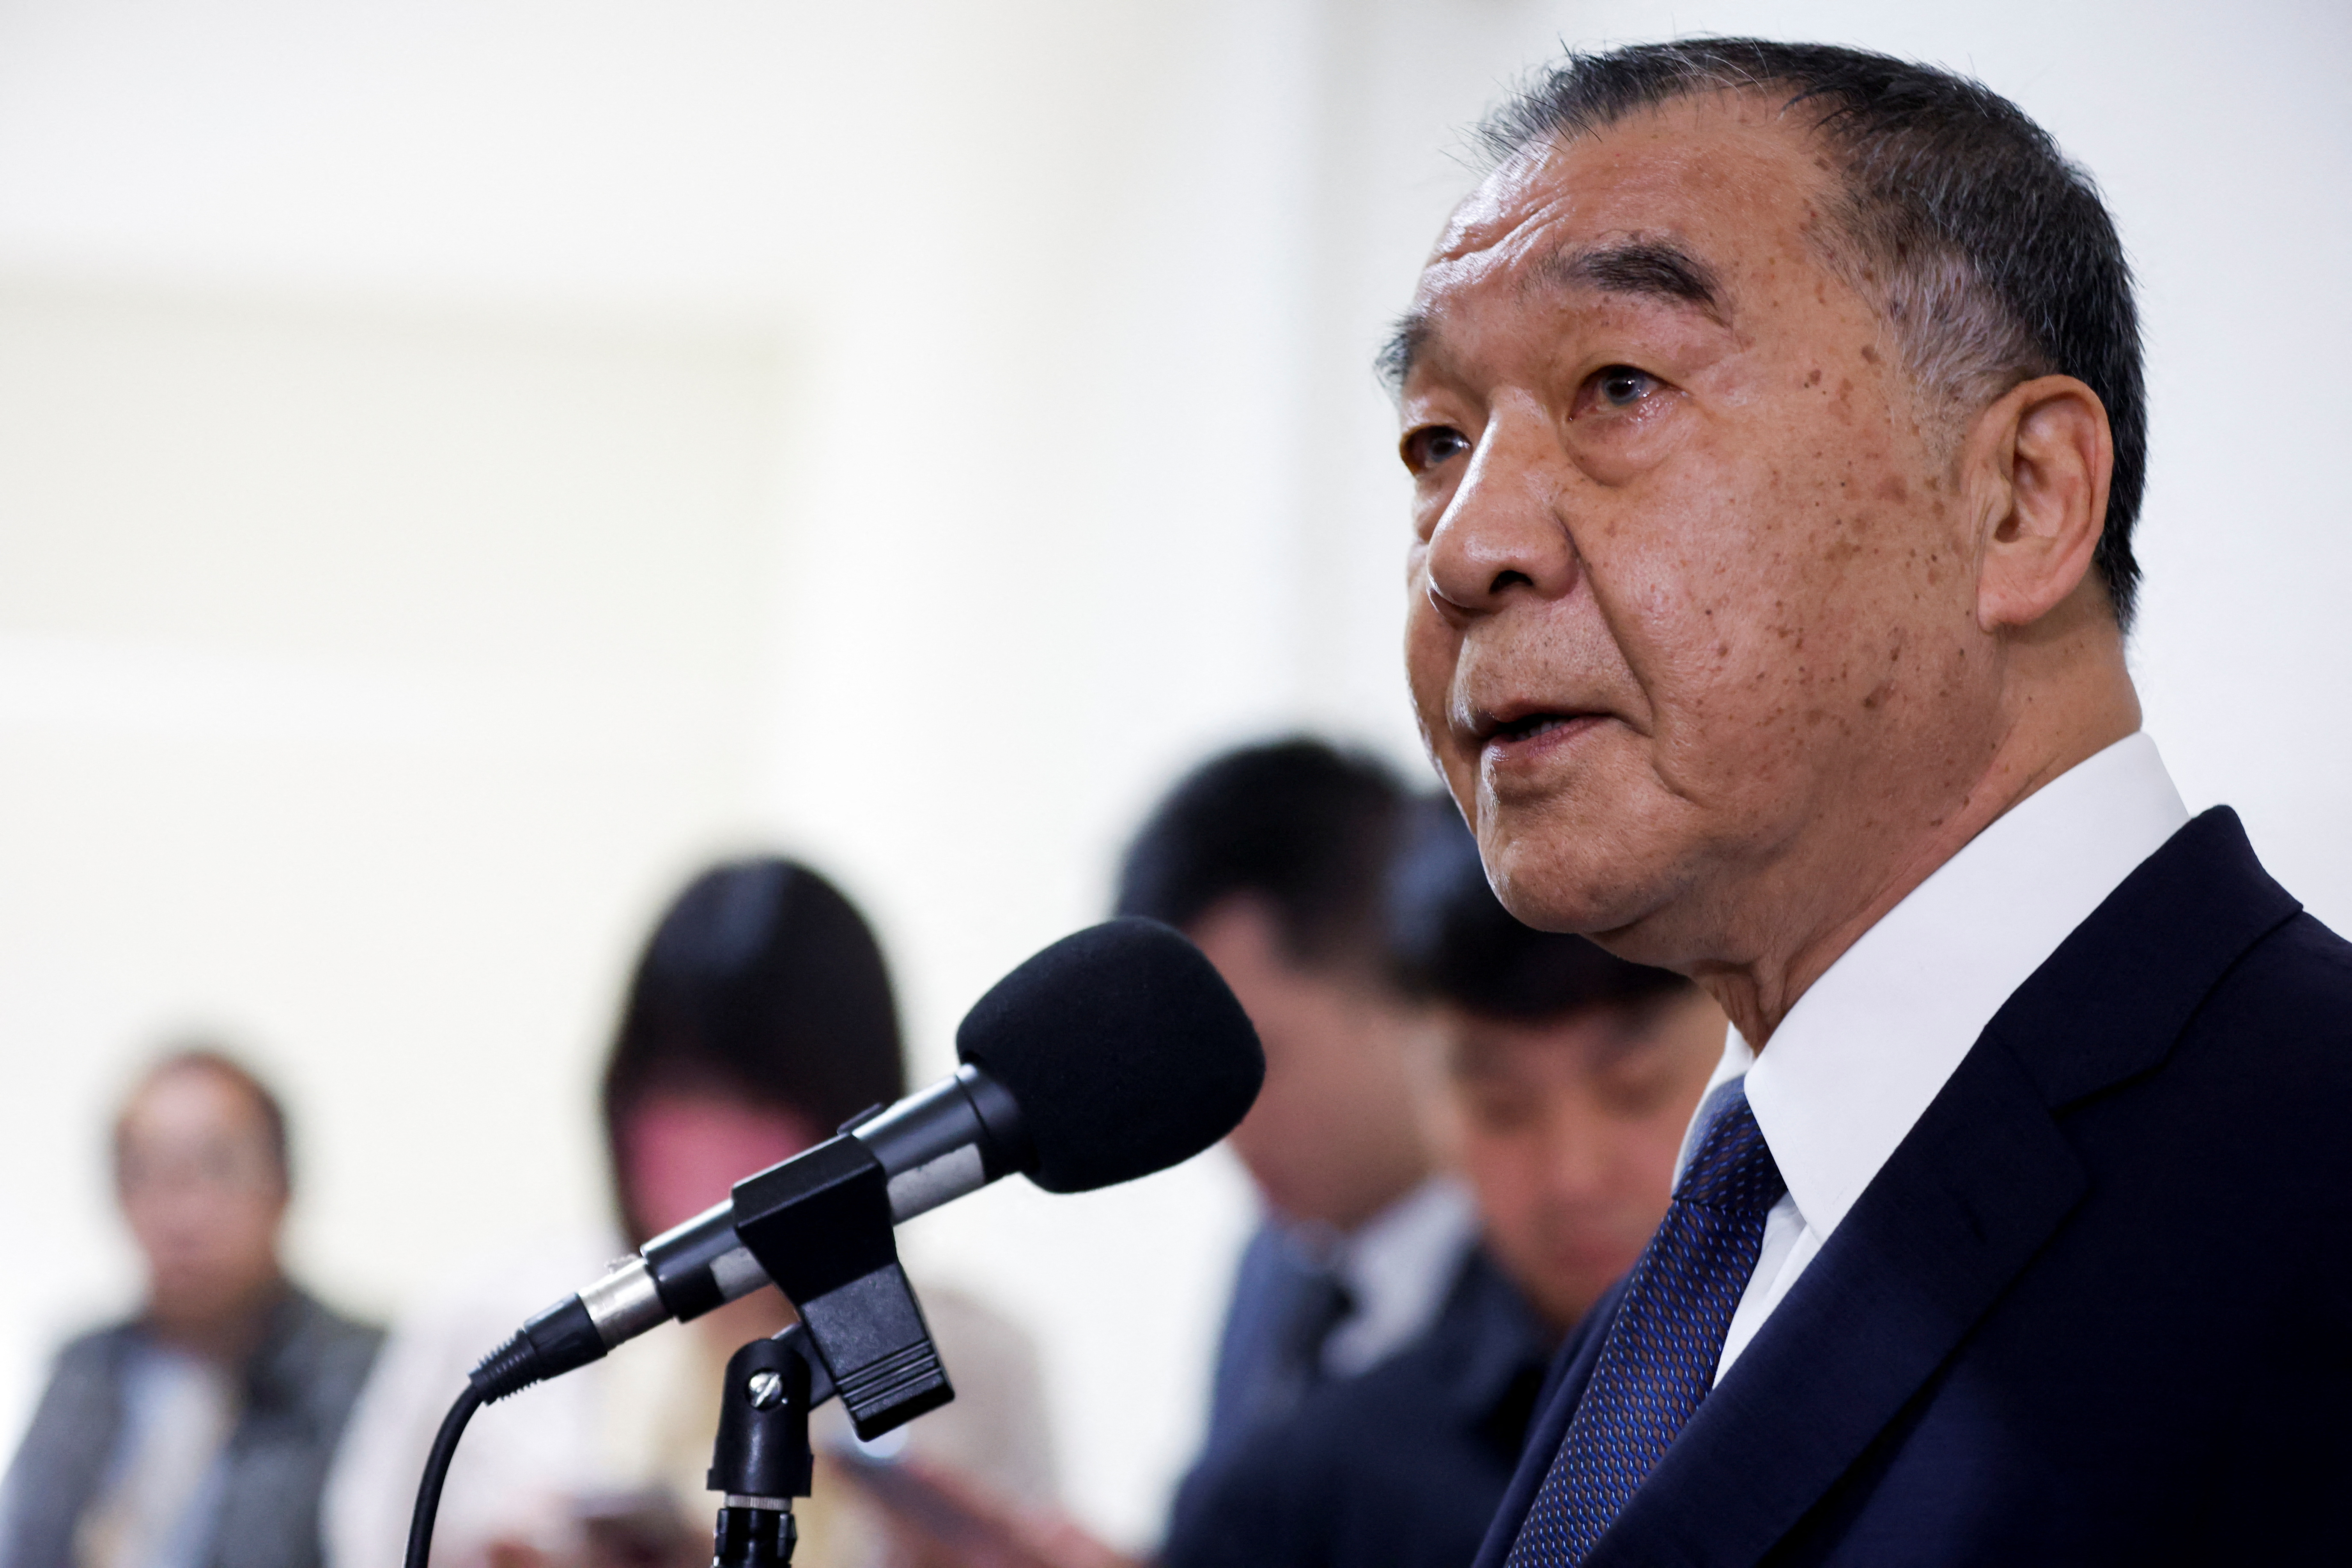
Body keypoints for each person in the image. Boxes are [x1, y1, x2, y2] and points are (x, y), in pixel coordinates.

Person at [1388, 36, 2352, 1566]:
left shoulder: (2315, 1177)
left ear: (2022, 498)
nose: (1465, 544)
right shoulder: (1714, 1241)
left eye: (1618, 386)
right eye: (1439, 440)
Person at [325, 859, 1055, 1568]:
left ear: (860, 1114)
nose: (714, 1143)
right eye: (680, 1088)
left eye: (761, 1101)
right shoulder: (497, 1324)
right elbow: (373, 1537)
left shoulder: (975, 1361)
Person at [1158, 800, 1721, 1568]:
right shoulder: (1319, 1490)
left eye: (1634, 1089)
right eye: (1502, 1109)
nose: (1573, 1176)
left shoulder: (1883, 1351)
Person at [1112, 740, 1477, 1520]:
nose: (1221, 1122)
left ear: (1403, 994)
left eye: (1258, 1056)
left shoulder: (1561, 1272)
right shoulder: (1272, 1270)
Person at [0, 1048, 384, 1568]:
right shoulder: (85, 1368)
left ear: (282, 1184)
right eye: (145, 1173)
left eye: (217, 1167)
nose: (181, 1212)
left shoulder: (362, 1376)